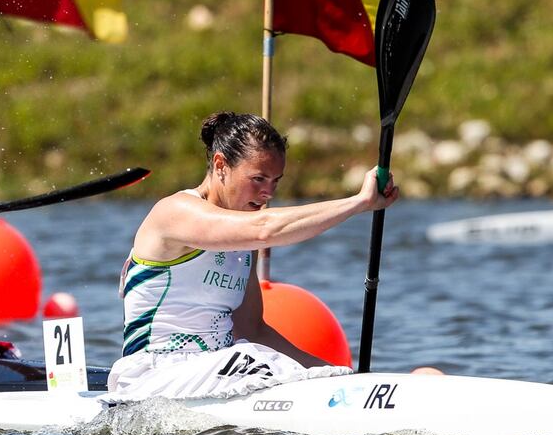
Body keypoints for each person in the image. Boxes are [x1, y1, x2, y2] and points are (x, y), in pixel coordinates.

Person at [104, 111, 399, 403]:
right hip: (152, 376)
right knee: (250, 356)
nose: (267, 193)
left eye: (275, 181)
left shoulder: (243, 243)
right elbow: (264, 229)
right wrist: (359, 203)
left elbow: (253, 330)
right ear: (220, 165)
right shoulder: (174, 212)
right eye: (258, 178)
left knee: (262, 356)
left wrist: (339, 377)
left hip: (217, 371)